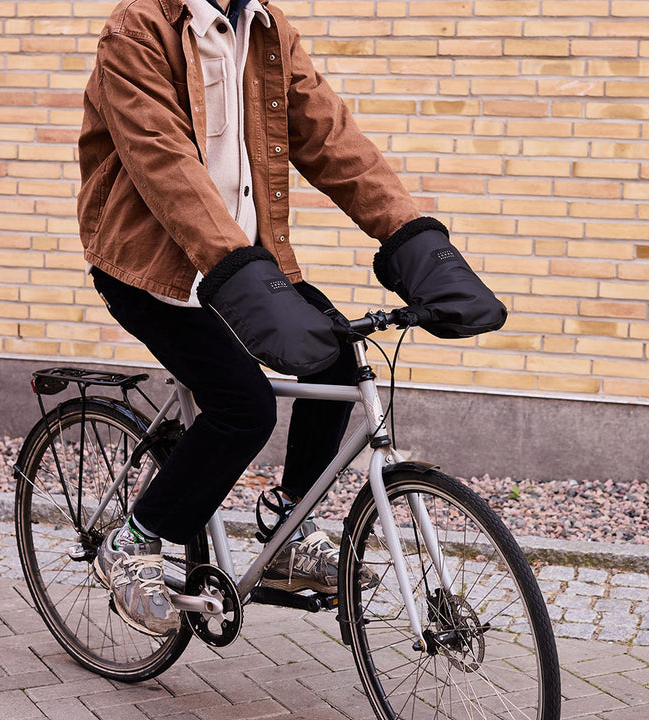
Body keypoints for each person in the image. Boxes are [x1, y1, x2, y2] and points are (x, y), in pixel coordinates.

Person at [78, 0, 505, 637]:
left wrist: (418, 242)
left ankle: (285, 524)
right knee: (242, 406)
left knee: (335, 355)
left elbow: (336, 143)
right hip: (153, 268)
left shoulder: (268, 30)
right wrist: (238, 275)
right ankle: (135, 538)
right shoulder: (137, 29)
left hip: (247, 260)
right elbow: (164, 163)